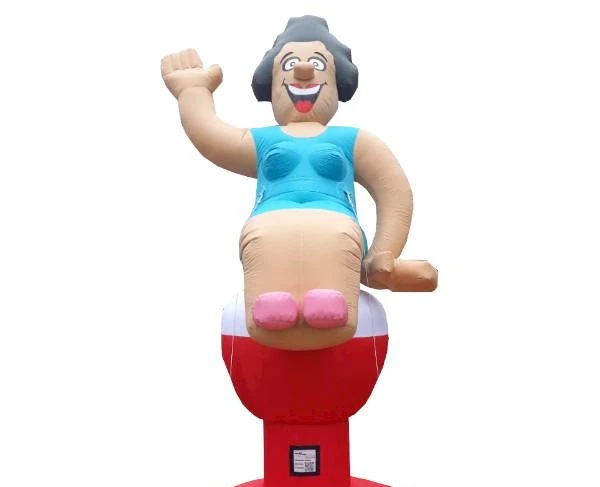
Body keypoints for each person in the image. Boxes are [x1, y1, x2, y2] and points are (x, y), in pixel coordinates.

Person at [162, 15, 437, 350]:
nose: (303, 71)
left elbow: (393, 191)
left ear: (335, 81)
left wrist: (383, 253)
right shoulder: (262, 141)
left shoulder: (354, 140)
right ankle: (274, 308)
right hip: (269, 230)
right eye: (290, 64)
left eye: (317, 64)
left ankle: (328, 307)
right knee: (266, 245)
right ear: (273, 81)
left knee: (332, 251)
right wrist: (192, 91)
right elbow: (212, 135)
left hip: (336, 231)